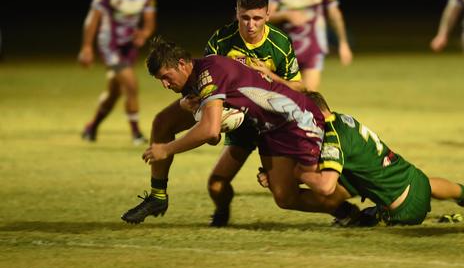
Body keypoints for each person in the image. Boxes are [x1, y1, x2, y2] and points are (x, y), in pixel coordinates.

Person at [121, 0, 325, 226]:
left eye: (257, 18)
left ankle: (341, 206)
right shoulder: (221, 40)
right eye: (245, 18)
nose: (250, 25)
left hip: (270, 118)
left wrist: (271, 75)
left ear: (268, 16)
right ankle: (162, 197)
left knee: (283, 194)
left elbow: (298, 87)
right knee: (212, 181)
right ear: (236, 14)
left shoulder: (279, 43)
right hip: (232, 112)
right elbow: (199, 79)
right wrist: (189, 102)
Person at [122, 37, 360, 225]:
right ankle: (158, 196)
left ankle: (359, 191)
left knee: (318, 182)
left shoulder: (209, 72)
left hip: (294, 122)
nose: (165, 85)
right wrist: (193, 110)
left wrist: (167, 148)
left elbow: (209, 130)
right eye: (159, 81)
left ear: (182, 64)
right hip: (265, 127)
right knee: (284, 197)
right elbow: (213, 135)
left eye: (166, 77)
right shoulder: (192, 81)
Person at [258, 92, 464, 226]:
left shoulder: (332, 136)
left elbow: (326, 186)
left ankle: (349, 215)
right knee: (426, 184)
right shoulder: (343, 119)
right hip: (410, 177)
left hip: (400, 210)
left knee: (352, 210)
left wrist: (295, 173)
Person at [78, 0, 156, 145]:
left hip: (129, 47)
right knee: (131, 84)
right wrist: (87, 46)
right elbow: (93, 18)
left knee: (114, 92)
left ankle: (91, 127)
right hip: (109, 44)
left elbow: (149, 22)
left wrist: (144, 34)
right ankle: (136, 134)